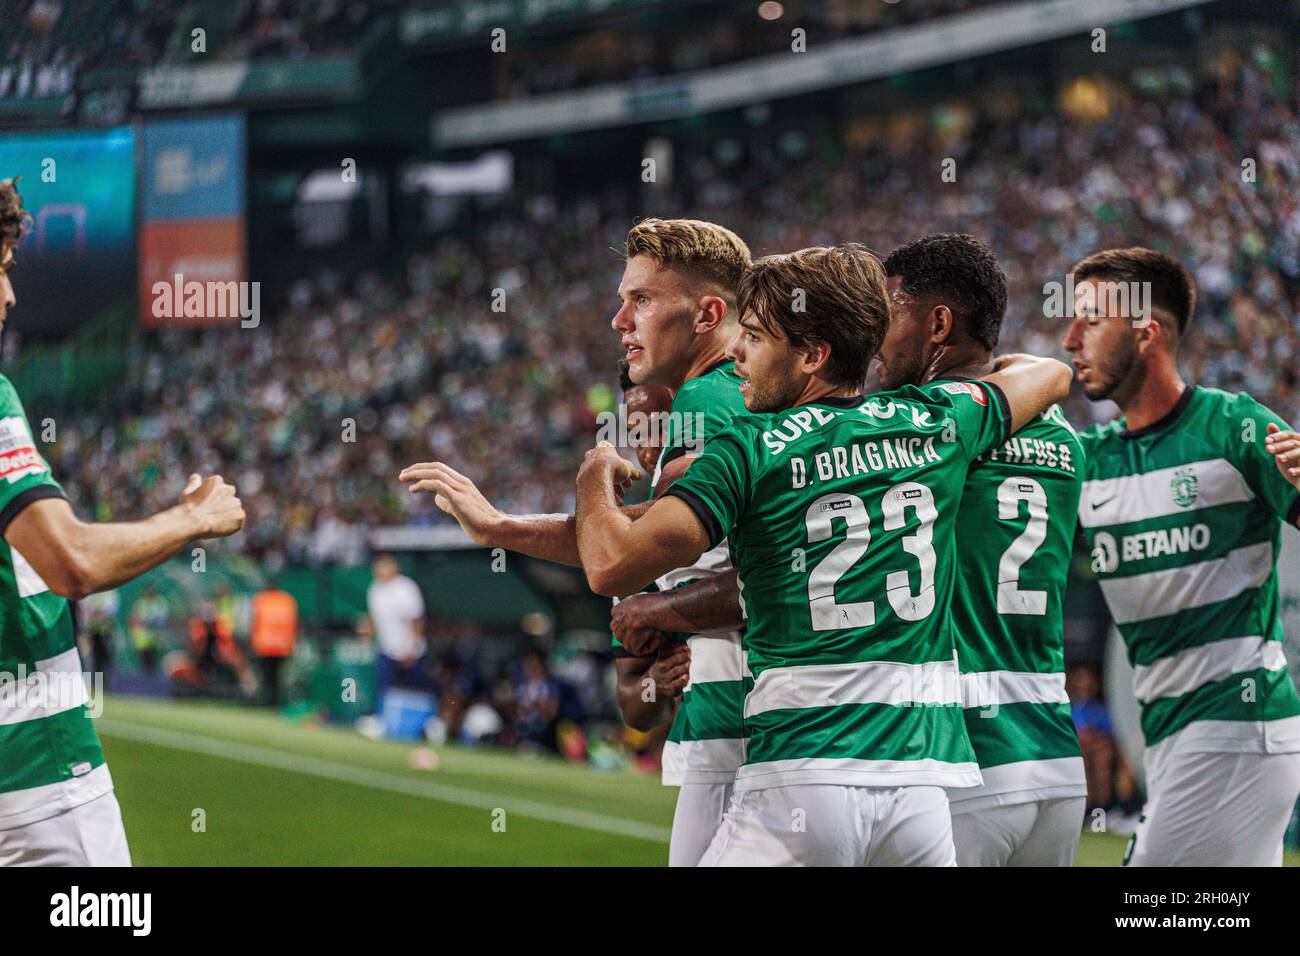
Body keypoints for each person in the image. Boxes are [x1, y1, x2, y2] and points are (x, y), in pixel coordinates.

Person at [574, 243, 1071, 865]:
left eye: (753, 337)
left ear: (812, 354)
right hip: (922, 789)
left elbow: (609, 564)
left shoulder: (746, 448)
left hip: (803, 777)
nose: (734, 353)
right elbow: (1052, 375)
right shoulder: (935, 421)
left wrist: (596, 471)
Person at [401, 218, 753, 866]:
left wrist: (593, 474)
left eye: (641, 299)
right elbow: (639, 537)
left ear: (707, 313)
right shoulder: (723, 401)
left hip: (752, 738)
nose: (619, 319)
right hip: (763, 736)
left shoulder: (711, 401)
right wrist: (499, 527)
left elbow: (616, 560)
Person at [0, 179, 246, 867]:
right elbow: (70, 561)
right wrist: (189, 519)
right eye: (2, 270)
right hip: (39, 782)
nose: (11, 296)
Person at [1063, 246, 1300, 866]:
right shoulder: (1091, 460)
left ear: (1147, 333)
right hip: (1169, 738)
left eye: (1090, 319)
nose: (1069, 339)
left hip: (1236, 729)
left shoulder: (1232, 427)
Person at [875, 234, 1087, 865]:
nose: (875, 338)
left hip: (960, 754)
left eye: (889, 314)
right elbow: (1046, 373)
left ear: (937, 323)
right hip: (1054, 759)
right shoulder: (1064, 433)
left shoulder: (916, 422)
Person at [366, 554, 428, 707]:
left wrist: (412, 648)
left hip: (410, 650)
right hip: (387, 648)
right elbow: (376, 619)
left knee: (416, 690)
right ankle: (384, 719)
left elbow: (417, 620)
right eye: (379, 567)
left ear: (394, 567)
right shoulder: (374, 589)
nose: (381, 570)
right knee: (385, 687)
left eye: (385, 566)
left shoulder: (406, 587)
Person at [251, 584, 298, 707]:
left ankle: (266, 702)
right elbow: (293, 623)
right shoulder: (287, 600)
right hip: (282, 645)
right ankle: (275, 703)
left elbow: (256, 621)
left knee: (266, 677)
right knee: (278, 678)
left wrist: (253, 641)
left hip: (265, 644)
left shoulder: (262, 599)